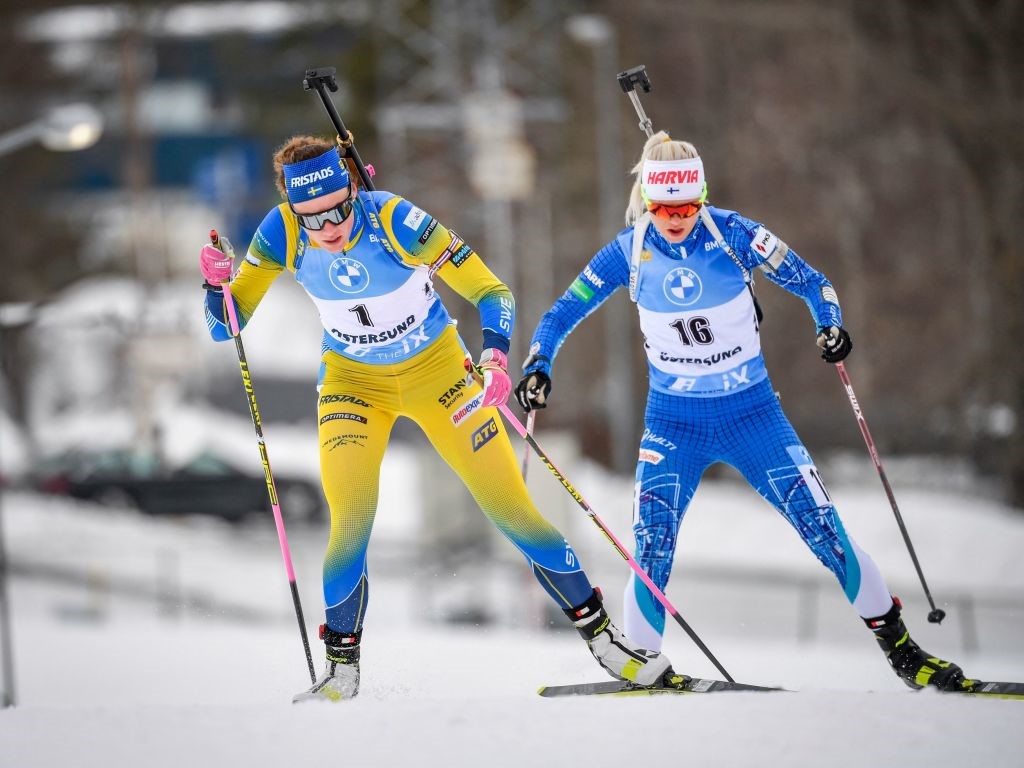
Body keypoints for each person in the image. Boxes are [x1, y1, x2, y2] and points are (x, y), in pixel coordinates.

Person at [199, 136, 673, 702]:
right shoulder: (279, 232)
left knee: (512, 510)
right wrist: (215, 281)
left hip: (440, 375)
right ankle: (341, 669)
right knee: (350, 518)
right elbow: (225, 324)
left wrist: (496, 360)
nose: (327, 228)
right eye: (312, 218)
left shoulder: (398, 220)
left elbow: (492, 291)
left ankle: (606, 642)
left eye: (338, 210)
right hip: (353, 386)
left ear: (354, 186)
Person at [515, 131, 974, 692]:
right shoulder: (629, 250)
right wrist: (539, 364)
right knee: (651, 544)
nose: (677, 218)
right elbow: (561, 312)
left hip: (752, 415)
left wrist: (829, 324)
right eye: (665, 208)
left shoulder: (735, 234)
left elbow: (812, 282)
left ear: (703, 197)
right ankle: (643, 664)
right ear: (649, 203)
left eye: (688, 206)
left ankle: (905, 654)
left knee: (823, 530)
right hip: (673, 423)